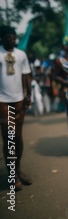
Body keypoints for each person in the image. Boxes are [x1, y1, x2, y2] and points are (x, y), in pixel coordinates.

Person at [0, 26, 33, 191]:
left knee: (18, 138)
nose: (11, 40)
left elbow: (26, 74)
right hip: (2, 101)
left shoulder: (21, 55)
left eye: (13, 37)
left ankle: (18, 170)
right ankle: (12, 176)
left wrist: (29, 94)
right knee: (9, 137)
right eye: (7, 37)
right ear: (2, 38)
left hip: (19, 100)